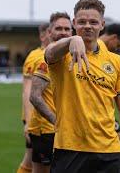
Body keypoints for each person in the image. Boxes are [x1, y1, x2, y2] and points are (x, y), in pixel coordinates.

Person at [45, 0, 120, 173]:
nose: (88, 26)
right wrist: (71, 40)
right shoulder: (62, 55)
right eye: (82, 22)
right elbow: (49, 53)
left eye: (93, 22)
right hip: (70, 149)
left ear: (102, 24)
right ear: (73, 23)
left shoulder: (115, 61)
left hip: (109, 151)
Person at [27, 12, 73, 173]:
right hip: (46, 129)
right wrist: (57, 121)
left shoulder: (71, 56)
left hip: (64, 129)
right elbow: (34, 96)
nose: (63, 32)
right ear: (49, 32)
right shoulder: (46, 59)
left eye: (67, 29)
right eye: (58, 28)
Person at [16, 23, 49, 173]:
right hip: (36, 119)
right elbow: (27, 91)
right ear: (43, 35)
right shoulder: (35, 56)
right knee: (33, 160)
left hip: (47, 117)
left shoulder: (58, 53)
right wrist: (28, 122)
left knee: (30, 159)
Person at [99, 23, 120, 158]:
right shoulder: (81, 50)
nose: (116, 50)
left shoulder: (115, 60)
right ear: (113, 37)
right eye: (117, 46)